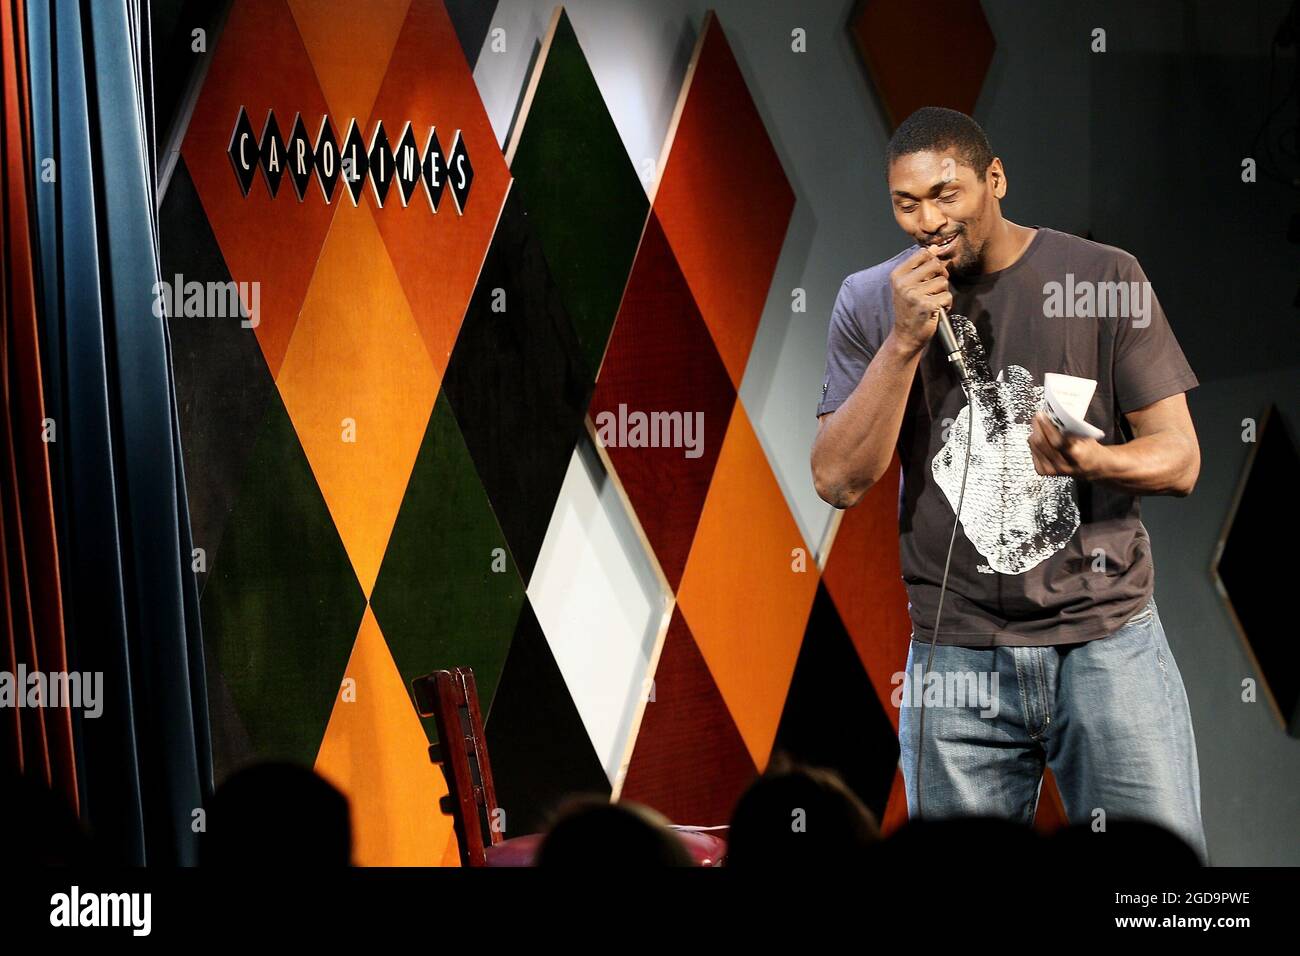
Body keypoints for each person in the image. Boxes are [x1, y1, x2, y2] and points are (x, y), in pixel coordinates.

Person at [810, 107, 1208, 863]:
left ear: (995, 180)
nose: (928, 220)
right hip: (954, 654)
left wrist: (1091, 461)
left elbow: (1179, 459)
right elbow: (837, 480)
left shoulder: (1101, 277)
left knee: (1165, 898)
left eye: (947, 194)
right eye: (906, 202)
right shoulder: (870, 302)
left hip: (1105, 642)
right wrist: (902, 343)